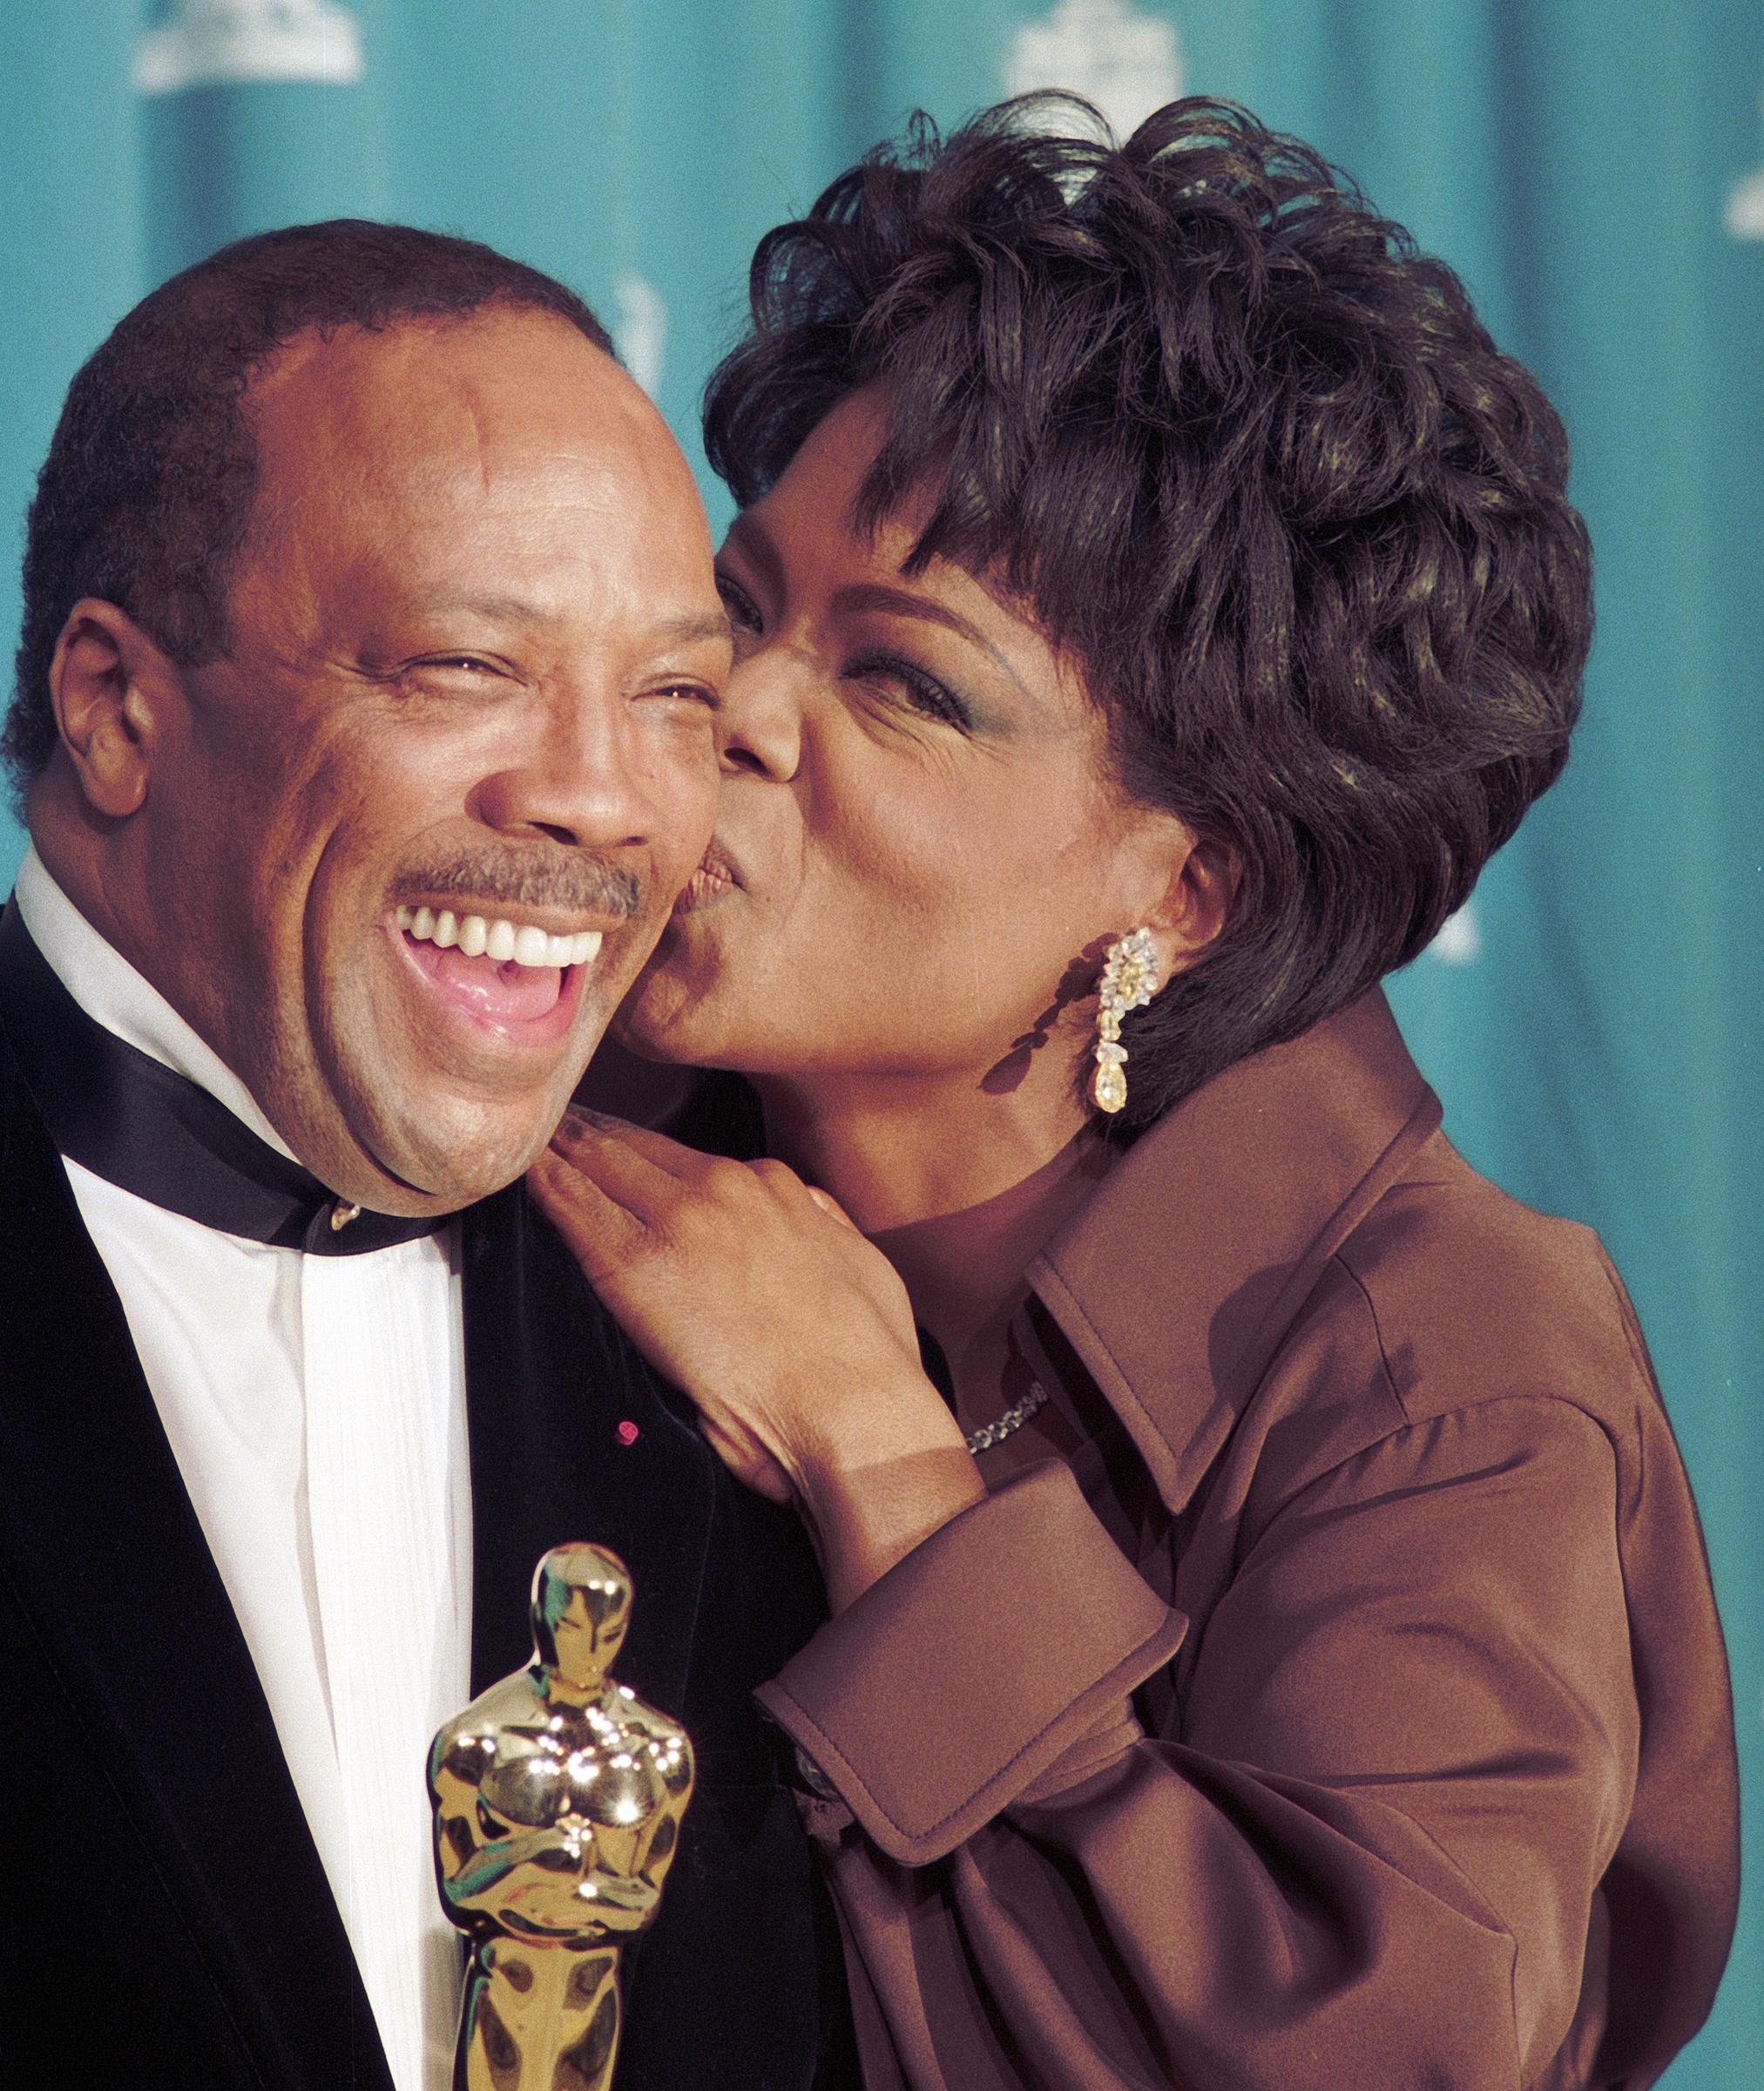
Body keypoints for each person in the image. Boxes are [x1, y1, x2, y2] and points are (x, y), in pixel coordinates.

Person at [532, 98, 1741, 2089]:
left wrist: (878, 1459)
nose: (733, 716)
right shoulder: (551, 1131)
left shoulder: (1444, 1361)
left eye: (901, 682)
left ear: (1184, 890)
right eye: (743, 606)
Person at [0, 222, 851, 2090]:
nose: (605, 798)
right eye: (467, 663)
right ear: (116, 707)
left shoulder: (760, 1351)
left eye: (673, 695)